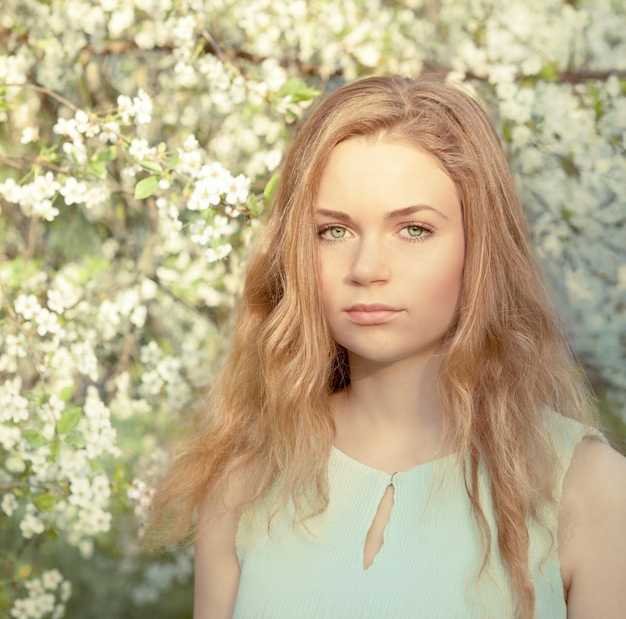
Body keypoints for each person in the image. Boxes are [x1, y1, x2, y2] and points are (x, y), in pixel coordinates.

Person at [149, 76, 626, 618]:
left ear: (481, 247)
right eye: (333, 231)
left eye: (414, 229)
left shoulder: (589, 489)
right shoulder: (245, 476)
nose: (367, 269)